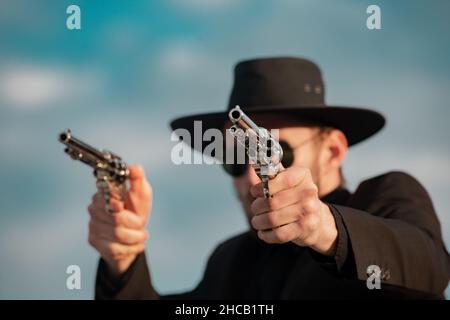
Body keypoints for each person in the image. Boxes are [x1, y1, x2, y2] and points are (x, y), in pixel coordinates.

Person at [89, 57, 450, 299]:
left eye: (281, 151)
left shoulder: (384, 196)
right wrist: (123, 259)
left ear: (333, 151)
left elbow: (430, 268)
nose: (250, 174)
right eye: (234, 157)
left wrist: (326, 229)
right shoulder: (231, 260)